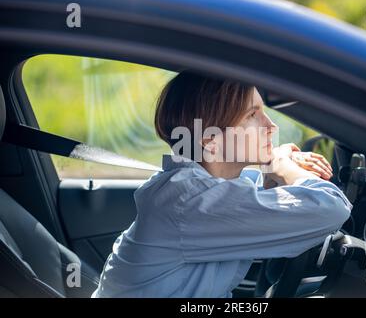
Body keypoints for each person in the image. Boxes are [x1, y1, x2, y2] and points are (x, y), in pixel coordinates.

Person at [92, 71, 352, 298]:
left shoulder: (202, 189)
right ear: (209, 138)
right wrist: (282, 166)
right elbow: (334, 208)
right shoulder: (192, 201)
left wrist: (274, 168)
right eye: (252, 115)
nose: (271, 126)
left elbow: (259, 202)